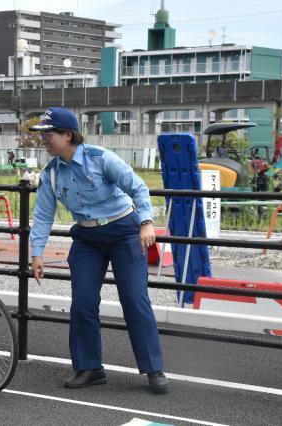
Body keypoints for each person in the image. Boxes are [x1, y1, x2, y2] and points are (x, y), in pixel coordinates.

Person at [29, 107, 170, 394]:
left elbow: (139, 188)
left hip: (125, 231)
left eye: (49, 134)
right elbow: (43, 215)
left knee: (133, 299)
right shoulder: (51, 174)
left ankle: (153, 368)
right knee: (82, 303)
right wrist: (36, 253)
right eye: (42, 134)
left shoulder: (100, 158)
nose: (43, 139)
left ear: (68, 135)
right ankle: (89, 367)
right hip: (87, 238)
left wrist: (146, 223)